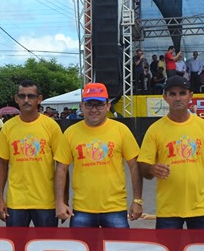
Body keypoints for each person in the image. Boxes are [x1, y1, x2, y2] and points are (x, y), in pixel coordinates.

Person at [138, 75, 204, 229]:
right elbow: (143, 167)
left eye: (182, 93)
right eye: (172, 94)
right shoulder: (154, 130)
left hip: (201, 206)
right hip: (168, 209)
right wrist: (151, 169)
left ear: (190, 96)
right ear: (165, 97)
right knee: (168, 246)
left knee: (202, 245)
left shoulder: (203, 126)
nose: (178, 98)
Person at [54, 83, 143, 228]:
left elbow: (135, 166)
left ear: (108, 106)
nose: (94, 110)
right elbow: (61, 168)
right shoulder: (70, 133)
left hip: (115, 208)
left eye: (99, 105)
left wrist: (137, 200)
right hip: (82, 209)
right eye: (89, 104)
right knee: (81, 244)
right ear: (82, 106)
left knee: (118, 243)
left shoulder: (121, 130)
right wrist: (60, 202)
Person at [0, 80, 62, 227]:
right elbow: (2, 164)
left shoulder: (51, 126)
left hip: (46, 202)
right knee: (15, 241)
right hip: (16, 202)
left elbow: (62, 166)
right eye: (22, 96)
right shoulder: (8, 127)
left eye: (31, 96)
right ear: (16, 99)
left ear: (39, 99)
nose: (26, 100)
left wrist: (62, 201)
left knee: (46, 241)